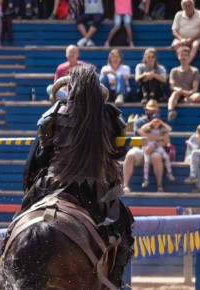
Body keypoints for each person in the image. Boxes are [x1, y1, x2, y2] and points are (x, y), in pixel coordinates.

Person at [20, 65, 133, 287]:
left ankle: (3, 263)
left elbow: (40, 157)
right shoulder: (109, 115)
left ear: (70, 88)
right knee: (123, 224)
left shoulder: (54, 112)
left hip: (51, 184)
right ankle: (115, 279)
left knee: (24, 214)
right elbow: (119, 152)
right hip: (93, 190)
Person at [122, 100, 167, 193]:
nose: (152, 113)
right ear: (146, 110)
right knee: (130, 155)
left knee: (157, 157)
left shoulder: (161, 122)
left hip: (155, 149)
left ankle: (159, 186)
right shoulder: (139, 121)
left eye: (154, 111)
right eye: (150, 110)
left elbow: (166, 140)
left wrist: (155, 144)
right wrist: (160, 138)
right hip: (140, 149)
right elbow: (146, 136)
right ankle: (125, 185)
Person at [138, 118, 174, 192]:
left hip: (157, 146)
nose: (156, 123)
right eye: (154, 122)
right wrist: (151, 122)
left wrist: (161, 122)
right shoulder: (148, 129)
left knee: (166, 156)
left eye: (157, 122)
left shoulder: (162, 130)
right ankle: (146, 179)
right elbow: (142, 128)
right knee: (147, 162)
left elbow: (169, 129)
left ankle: (169, 172)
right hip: (147, 147)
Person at [167, 46, 200, 122]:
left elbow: (195, 88)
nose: (183, 57)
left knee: (198, 96)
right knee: (174, 94)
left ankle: (185, 101)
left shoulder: (194, 71)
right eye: (181, 55)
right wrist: (179, 90)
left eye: (185, 55)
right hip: (178, 93)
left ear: (189, 57)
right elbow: (172, 85)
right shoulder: (174, 71)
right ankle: (170, 111)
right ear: (178, 57)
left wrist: (189, 92)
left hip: (189, 94)